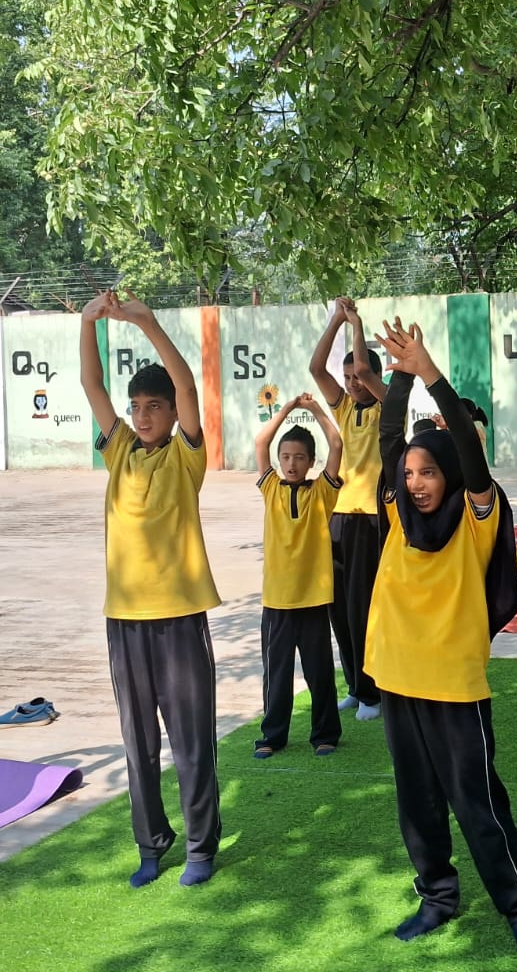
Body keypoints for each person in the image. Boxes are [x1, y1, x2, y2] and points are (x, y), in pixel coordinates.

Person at [366, 319, 517, 949]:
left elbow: (467, 446)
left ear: (451, 476)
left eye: (428, 473)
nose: (415, 482)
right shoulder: (397, 513)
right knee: (416, 800)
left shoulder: (475, 516)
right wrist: (398, 378)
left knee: (476, 798)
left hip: (453, 681)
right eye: (410, 473)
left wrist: (430, 375)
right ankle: (437, 895)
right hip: (397, 673)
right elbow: (389, 437)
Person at [80, 291, 221, 889]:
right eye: (136, 407)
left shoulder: (185, 459)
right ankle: (151, 844)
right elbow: (91, 386)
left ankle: (200, 846)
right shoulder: (118, 453)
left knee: (190, 742)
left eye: (153, 408)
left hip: (180, 617)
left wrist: (145, 321)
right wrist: (87, 321)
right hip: (124, 620)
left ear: (170, 414)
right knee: (137, 743)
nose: (142, 417)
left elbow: (186, 385)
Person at [253, 392, 344, 758]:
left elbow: (336, 443)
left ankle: (325, 734)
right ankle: (272, 736)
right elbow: (261, 442)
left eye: (299, 458)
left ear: (310, 462)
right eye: (286, 457)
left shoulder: (322, 492)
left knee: (319, 672)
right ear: (279, 460)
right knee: (276, 674)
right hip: (277, 600)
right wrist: (288, 408)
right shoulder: (270, 488)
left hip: (313, 599)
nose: (292, 464)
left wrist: (316, 409)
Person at [311, 297, 388, 723]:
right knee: (338, 608)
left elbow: (364, 369)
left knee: (363, 608)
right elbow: (316, 368)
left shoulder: (387, 405)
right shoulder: (343, 408)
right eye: (347, 379)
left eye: (357, 377)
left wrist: (355, 324)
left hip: (371, 519)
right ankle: (356, 688)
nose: (352, 383)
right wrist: (335, 321)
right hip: (338, 516)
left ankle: (375, 692)